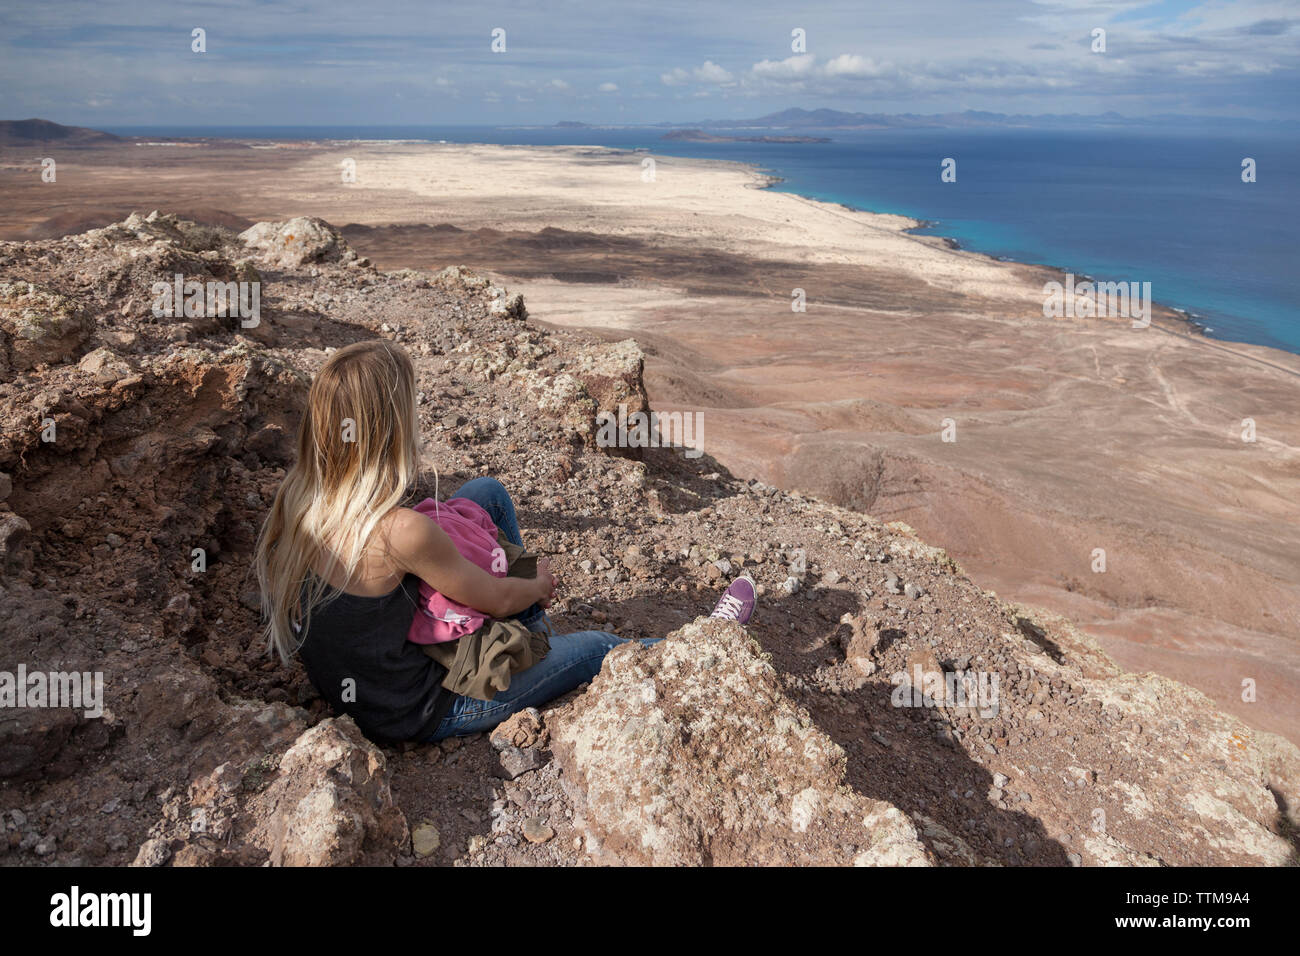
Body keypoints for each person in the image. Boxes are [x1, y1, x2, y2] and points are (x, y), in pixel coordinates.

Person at [253, 339, 756, 745]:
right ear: (390, 428)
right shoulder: (400, 531)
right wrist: (536, 586)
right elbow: (491, 598)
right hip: (423, 707)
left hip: (363, 683)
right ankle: (702, 646)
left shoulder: (299, 498)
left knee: (485, 495)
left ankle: (530, 634)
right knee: (596, 649)